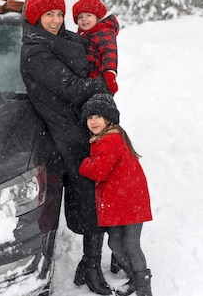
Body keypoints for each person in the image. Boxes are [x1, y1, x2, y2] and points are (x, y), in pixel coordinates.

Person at [20, 0, 113, 295]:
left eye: (60, 14)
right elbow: (73, 88)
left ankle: (92, 261)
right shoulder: (36, 52)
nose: (56, 20)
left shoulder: (64, 40)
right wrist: (103, 84)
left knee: (95, 192)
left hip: (79, 126)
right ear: (36, 18)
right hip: (63, 133)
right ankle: (90, 264)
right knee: (87, 194)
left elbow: (93, 49)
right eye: (49, 14)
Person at [79, 93, 153, 296]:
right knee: (115, 242)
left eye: (98, 117)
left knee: (130, 244)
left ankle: (144, 289)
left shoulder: (110, 140)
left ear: (108, 119)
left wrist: (83, 163)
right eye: (89, 117)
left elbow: (98, 171)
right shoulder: (105, 138)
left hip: (129, 200)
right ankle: (136, 279)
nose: (93, 121)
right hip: (123, 200)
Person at [72, 0, 120, 95]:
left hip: (100, 81)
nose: (84, 19)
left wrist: (109, 74)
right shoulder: (82, 35)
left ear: (97, 17)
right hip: (86, 81)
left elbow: (109, 53)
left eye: (88, 15)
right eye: (80, 17)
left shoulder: (104, 32)